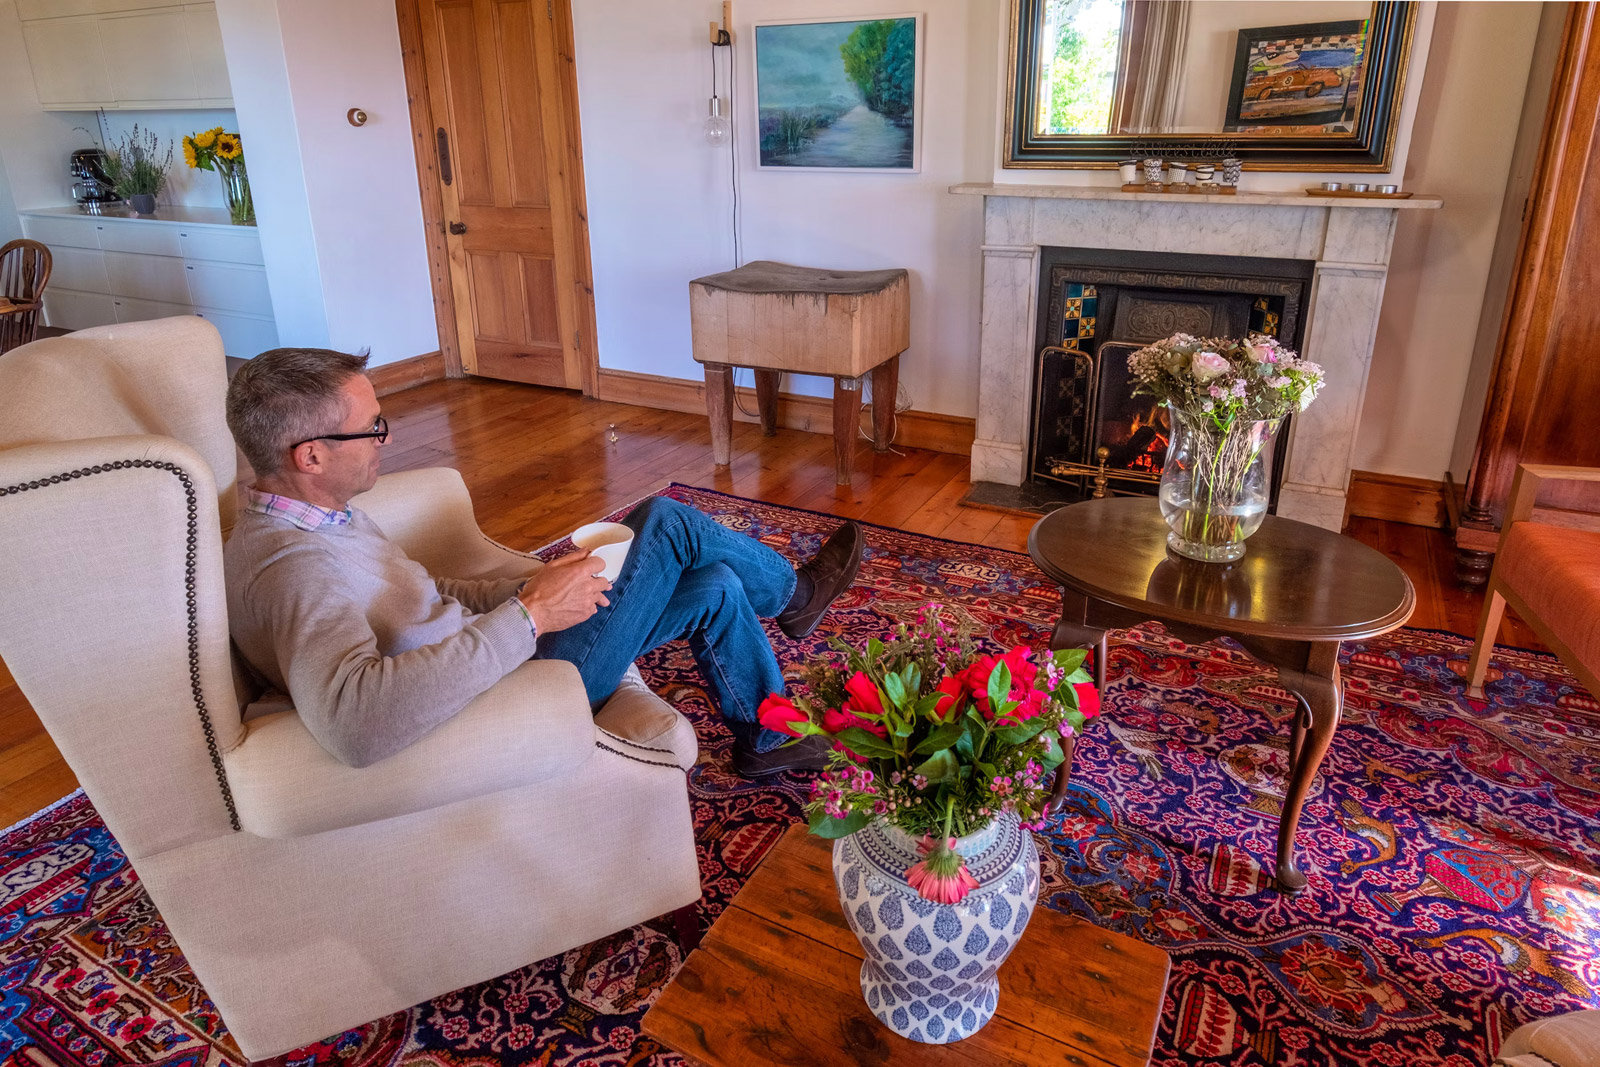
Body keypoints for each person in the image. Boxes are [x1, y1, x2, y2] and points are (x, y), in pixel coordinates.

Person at [222, 347, 860, 776]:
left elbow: (418, 594)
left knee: (715, 582)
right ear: (310, 456)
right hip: (512, 693)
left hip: (504, 657)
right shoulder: (293, 569)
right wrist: (529, 617)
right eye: (372, 428)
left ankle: (767, 739)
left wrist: (533, 586)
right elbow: (353, 724)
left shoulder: (322, 515)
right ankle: (796, 596)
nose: (384, 439)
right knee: (667, 524)